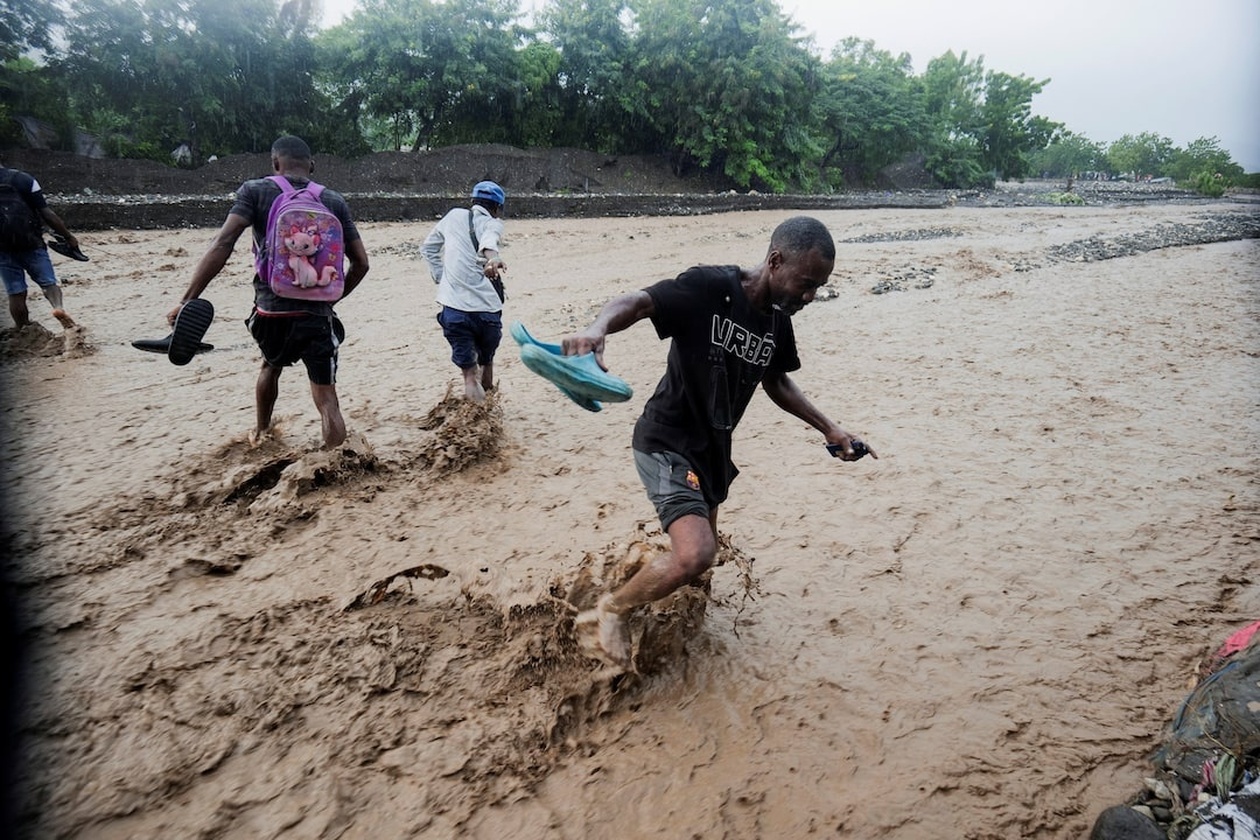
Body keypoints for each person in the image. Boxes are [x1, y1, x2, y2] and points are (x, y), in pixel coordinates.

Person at [566, 215, 877, 670]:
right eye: (806, 283)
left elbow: (777, 381)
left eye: (818, 288)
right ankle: (610, 610)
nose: (809, 297)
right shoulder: (710, 288)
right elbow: (639, 302)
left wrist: (830, 429)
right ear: (775, 261)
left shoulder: (776, 322)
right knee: (697, 553)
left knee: (698, 571)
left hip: (711, 452)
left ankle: (679, 642)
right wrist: (597, 330)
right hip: (665, 439)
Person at [167, 135, 369, 448]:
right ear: (311, 166)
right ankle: (339, 464)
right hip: (317, 315)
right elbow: (361, 264)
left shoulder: (256, 190)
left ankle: (261, 435)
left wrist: (187, 300)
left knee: (269, 367)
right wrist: (330, 298)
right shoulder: (334, 201)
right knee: (326, 398)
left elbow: (223, 243)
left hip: (269, 311)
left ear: (275, 164)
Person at [422, 181, 508, 402]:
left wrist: (440, 275)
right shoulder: (494, 224)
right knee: (486, 362)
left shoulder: (452, 217)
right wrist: (493, 258)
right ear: (497, 208)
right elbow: (489, 244)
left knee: (470, 377)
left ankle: (477, 422)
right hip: (488, 311)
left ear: (472, 202)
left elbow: (429, 247)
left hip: (455, 311)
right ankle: (488, 417)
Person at [0, 157, 80, 330]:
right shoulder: (24, 179)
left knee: (16, 292)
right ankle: (58, 309)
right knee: (49, 283)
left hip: (3, 249)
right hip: (31, 242)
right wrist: (68, 236)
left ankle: (23, 331)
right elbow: (47, 214)